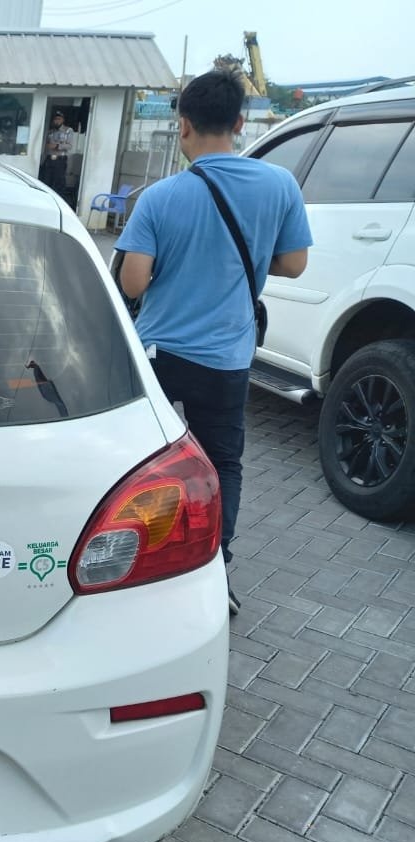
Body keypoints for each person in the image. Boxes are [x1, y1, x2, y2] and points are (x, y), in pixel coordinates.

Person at [116, 69, 311, 615]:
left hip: (158, 356)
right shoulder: (280, 186)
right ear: (240, 123)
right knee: (223, 463)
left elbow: (133, 283)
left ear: (183, 125)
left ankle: (132, 566)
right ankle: (213, 572)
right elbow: (294, 263)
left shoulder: (160, 197)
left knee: (138, 460)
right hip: (227, 359)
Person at [38, 110, 74, 193]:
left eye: (59, 119)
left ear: (63, 120)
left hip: (60, 160)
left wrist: (57, 146)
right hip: (49, 159)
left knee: (58, 183)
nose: (57, 121)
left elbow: (70, 146)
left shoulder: (68, 130)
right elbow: (46, 145)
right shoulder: (51, 131)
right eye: (55, 119)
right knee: (46, 181)